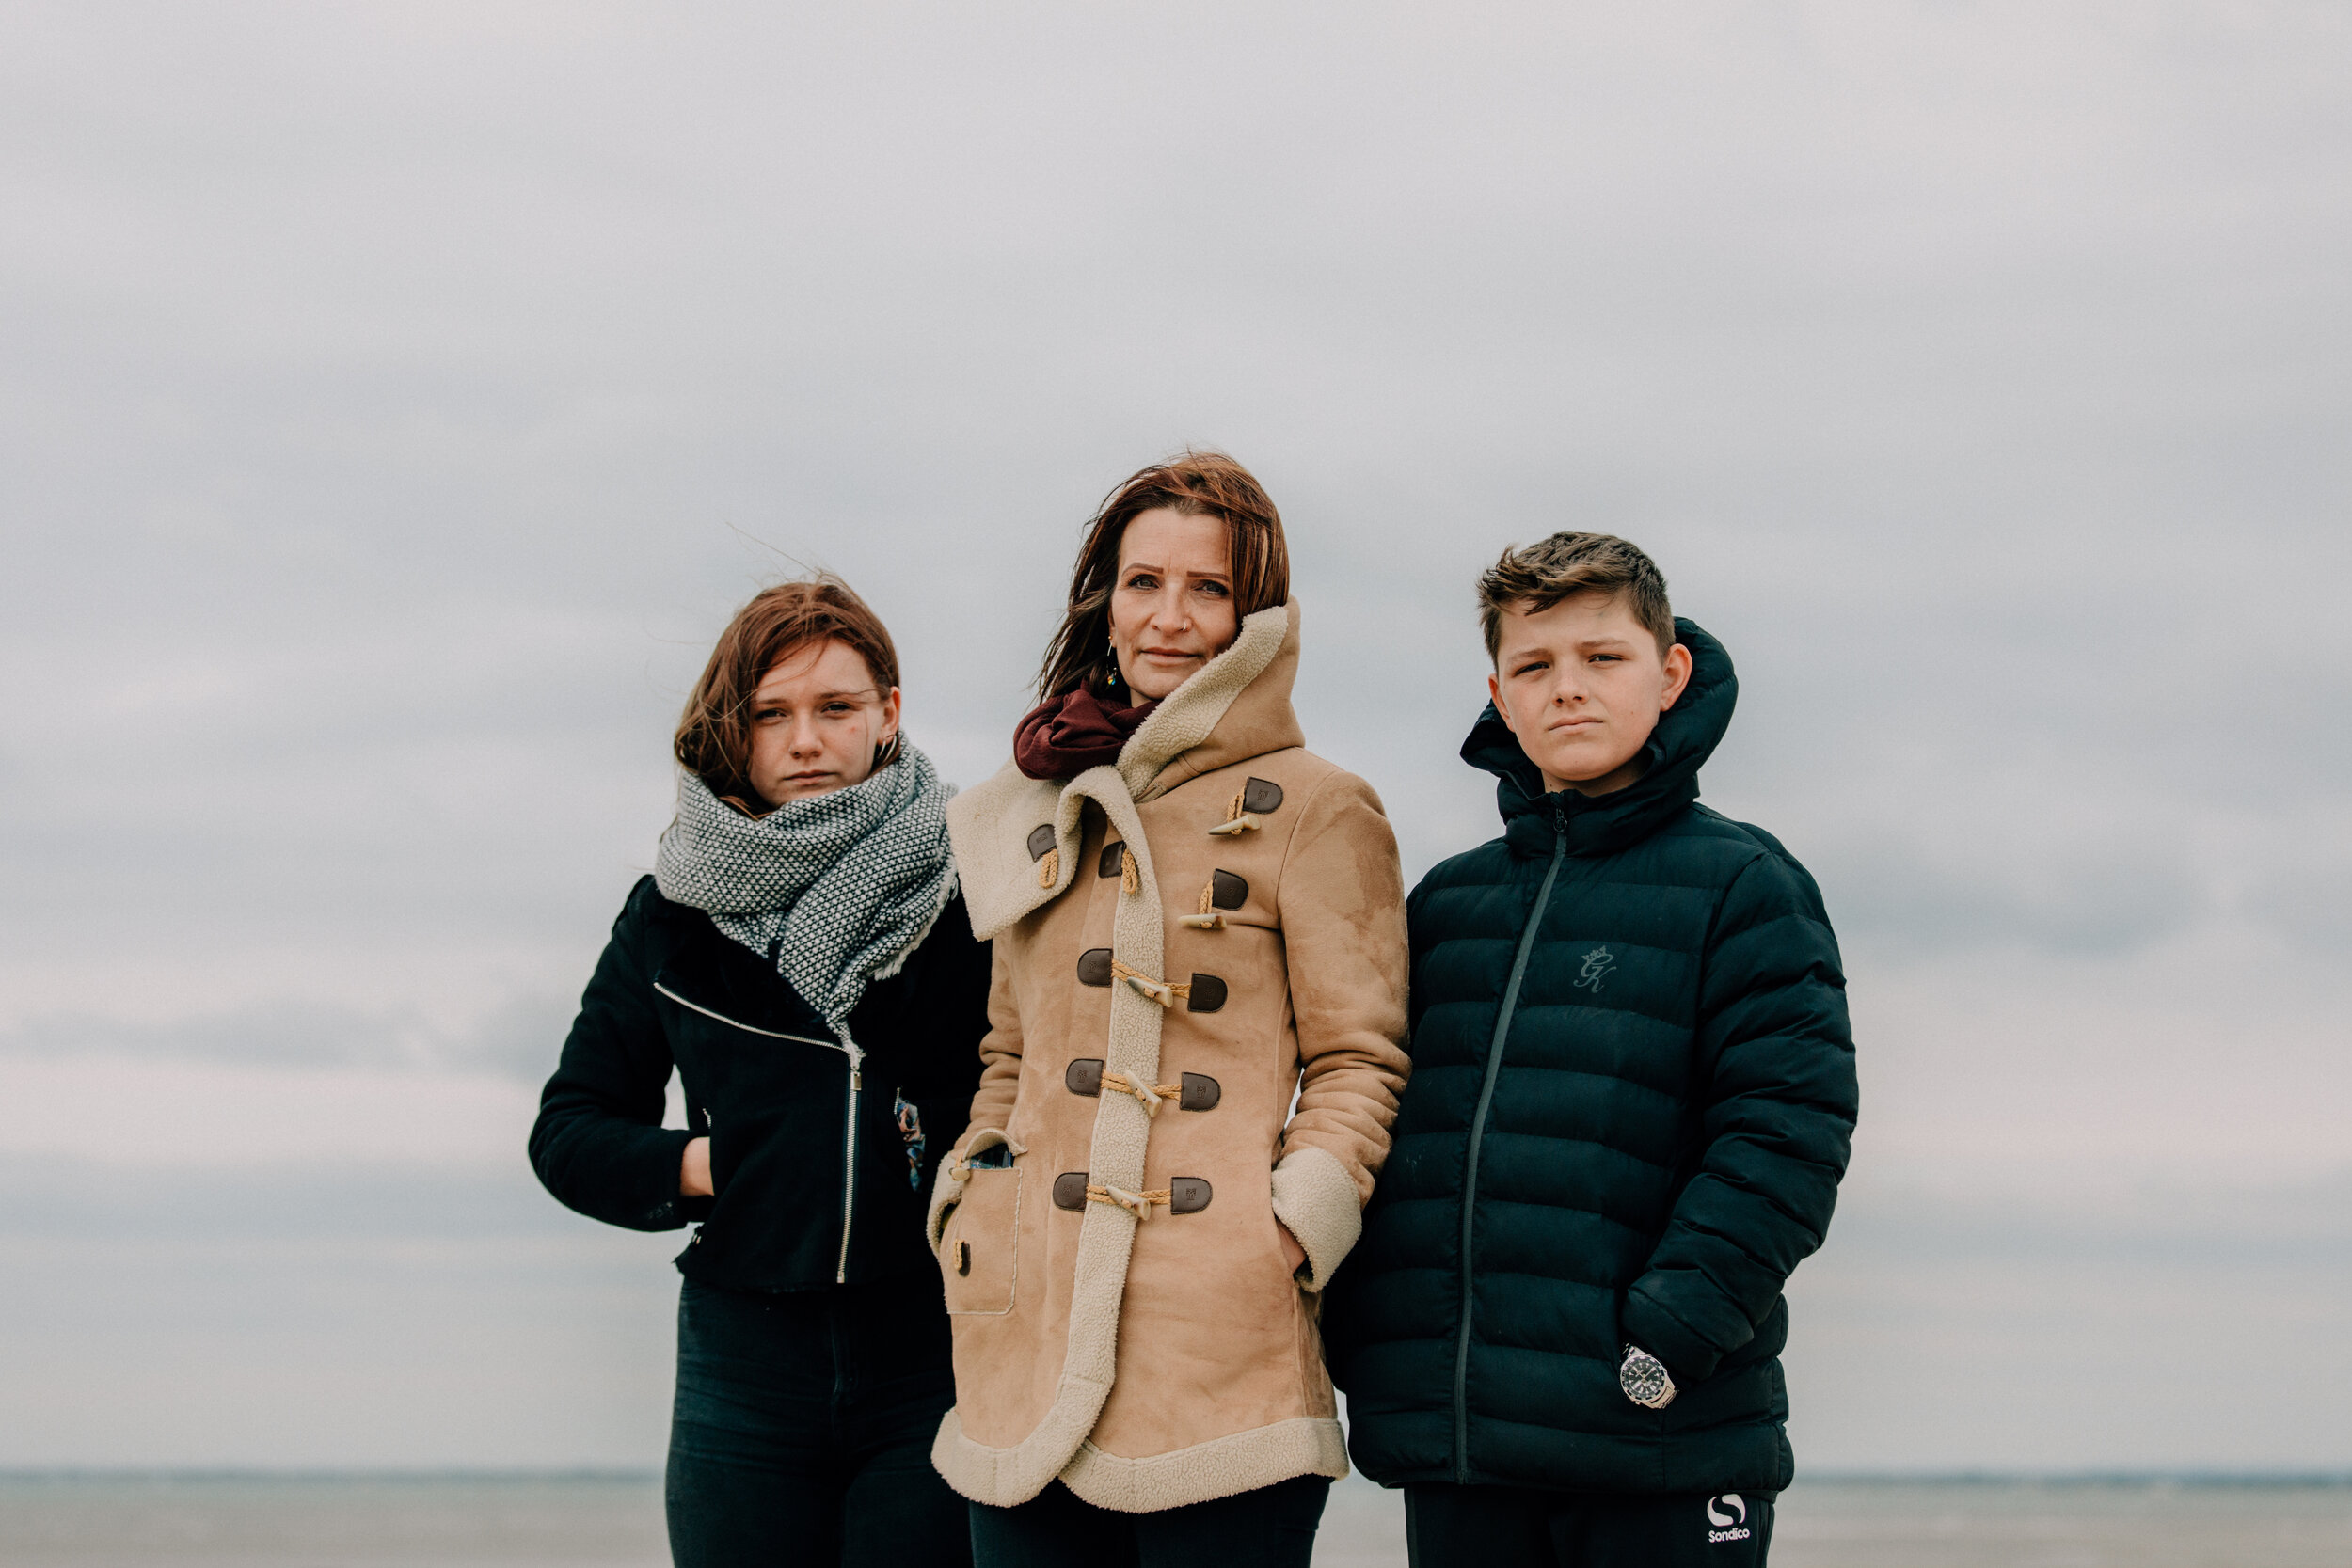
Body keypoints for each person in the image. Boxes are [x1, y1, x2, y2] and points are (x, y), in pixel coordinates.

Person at [1324, 533, 1858, 1567]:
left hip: (1663, 1445)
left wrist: (1663, 1338)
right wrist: (1371, 1335)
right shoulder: (1445, 904)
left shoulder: (1745, 885)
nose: (1566, 688)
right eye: (1535, 666)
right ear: (1499, 695)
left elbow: (1786, 1135)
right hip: (1464, 1449)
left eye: (1600, 658)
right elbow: (1380, 1120)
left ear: (1668, 673)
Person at [928, 452, 1411, 1568]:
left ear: (1259, 615)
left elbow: (1359, 1059)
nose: (1170, 618)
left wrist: (1287, 1227)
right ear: (1105, 596)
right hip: (1026, 1334)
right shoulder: (1033, 804)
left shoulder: (1321, 806)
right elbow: (1009, 1049)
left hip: (1223, 1347)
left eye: (1208, 589)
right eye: (1143, 581)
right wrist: (973, 1191)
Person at [529, 577, 990, 1568]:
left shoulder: (974, 884)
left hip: (938, 1351)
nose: (806, 740)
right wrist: (704, 1164)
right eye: (771, 714)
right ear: (735, 731)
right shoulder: (671, 912)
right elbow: (569, 1130)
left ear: (888, 714)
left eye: (835, 707)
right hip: (741, 1369)